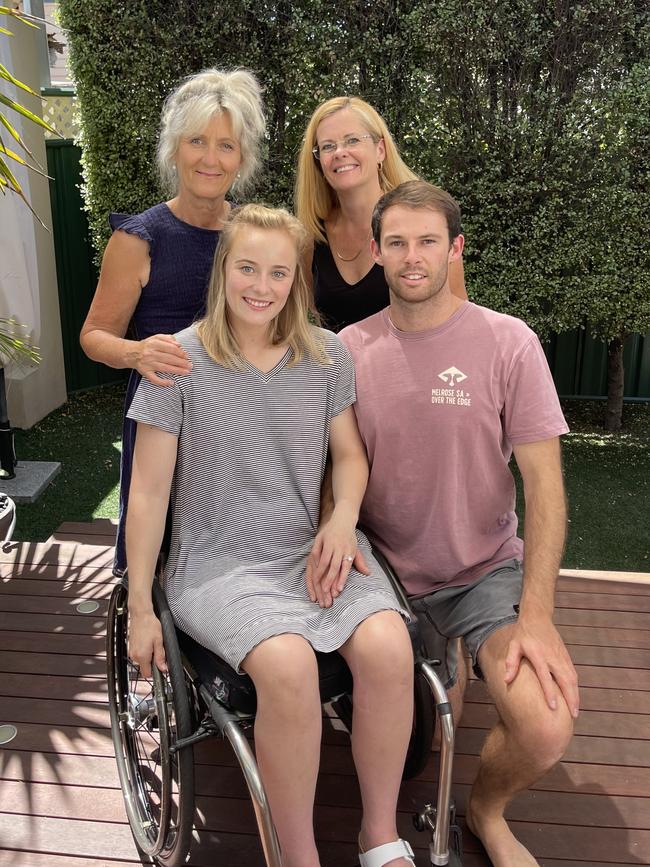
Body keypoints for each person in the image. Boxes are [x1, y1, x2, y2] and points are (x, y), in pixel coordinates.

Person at [125, 204, 418, 867]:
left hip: (308, 546)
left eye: (278, 272)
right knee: (286, 664)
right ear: (223, 269)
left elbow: (349, 456)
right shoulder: (179, 360)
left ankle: (378, 832)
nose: (262, 285)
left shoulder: (326, 354)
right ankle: (296, 854)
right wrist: (141, 605)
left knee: (389, 646)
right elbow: (146, 493)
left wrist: (342, 519)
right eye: (247, 268)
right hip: (220, 561)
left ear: (296, 280)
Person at [322, 180, 579, 867]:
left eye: (428, 241)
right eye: (397, 242)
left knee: (546, 723)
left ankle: (485, 811)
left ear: (455, 249)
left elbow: (546, 488)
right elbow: (330, 469)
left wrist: (539, 615)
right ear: (376, 252)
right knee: (411, 749)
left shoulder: (509, 343)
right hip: (382, 573)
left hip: (483, 569)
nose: (412, 257)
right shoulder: (345, 348)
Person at [80, 67, 265, 576]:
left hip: (244, 419)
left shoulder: (254, 233)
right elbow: (93, 336)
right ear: (174, 149)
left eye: (226, 146)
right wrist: (137, 353)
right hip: (168, 422)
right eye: (197, 141)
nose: (210, 158)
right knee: (160, 556)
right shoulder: (139, 238)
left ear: (241, 159)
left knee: (241, 560)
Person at [295, 96, 466, 332]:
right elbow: (310, 314)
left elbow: (458, 320)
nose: (340, 152)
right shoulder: (311, 236)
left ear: (380, 150)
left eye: (352, 140)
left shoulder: (426, 222)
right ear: (318, 162)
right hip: (339, 369)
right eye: (328, 146)